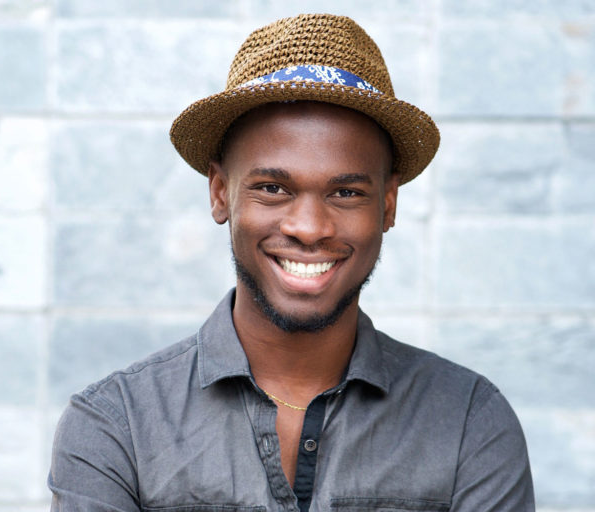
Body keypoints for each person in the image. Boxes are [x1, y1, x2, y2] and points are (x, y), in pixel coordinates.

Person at [48, 13, 534, 512]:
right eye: (272, 188)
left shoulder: (468, 422)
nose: (309, 226)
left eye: (346, 192)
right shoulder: (117, 425)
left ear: (387, 206)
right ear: (220, 193)